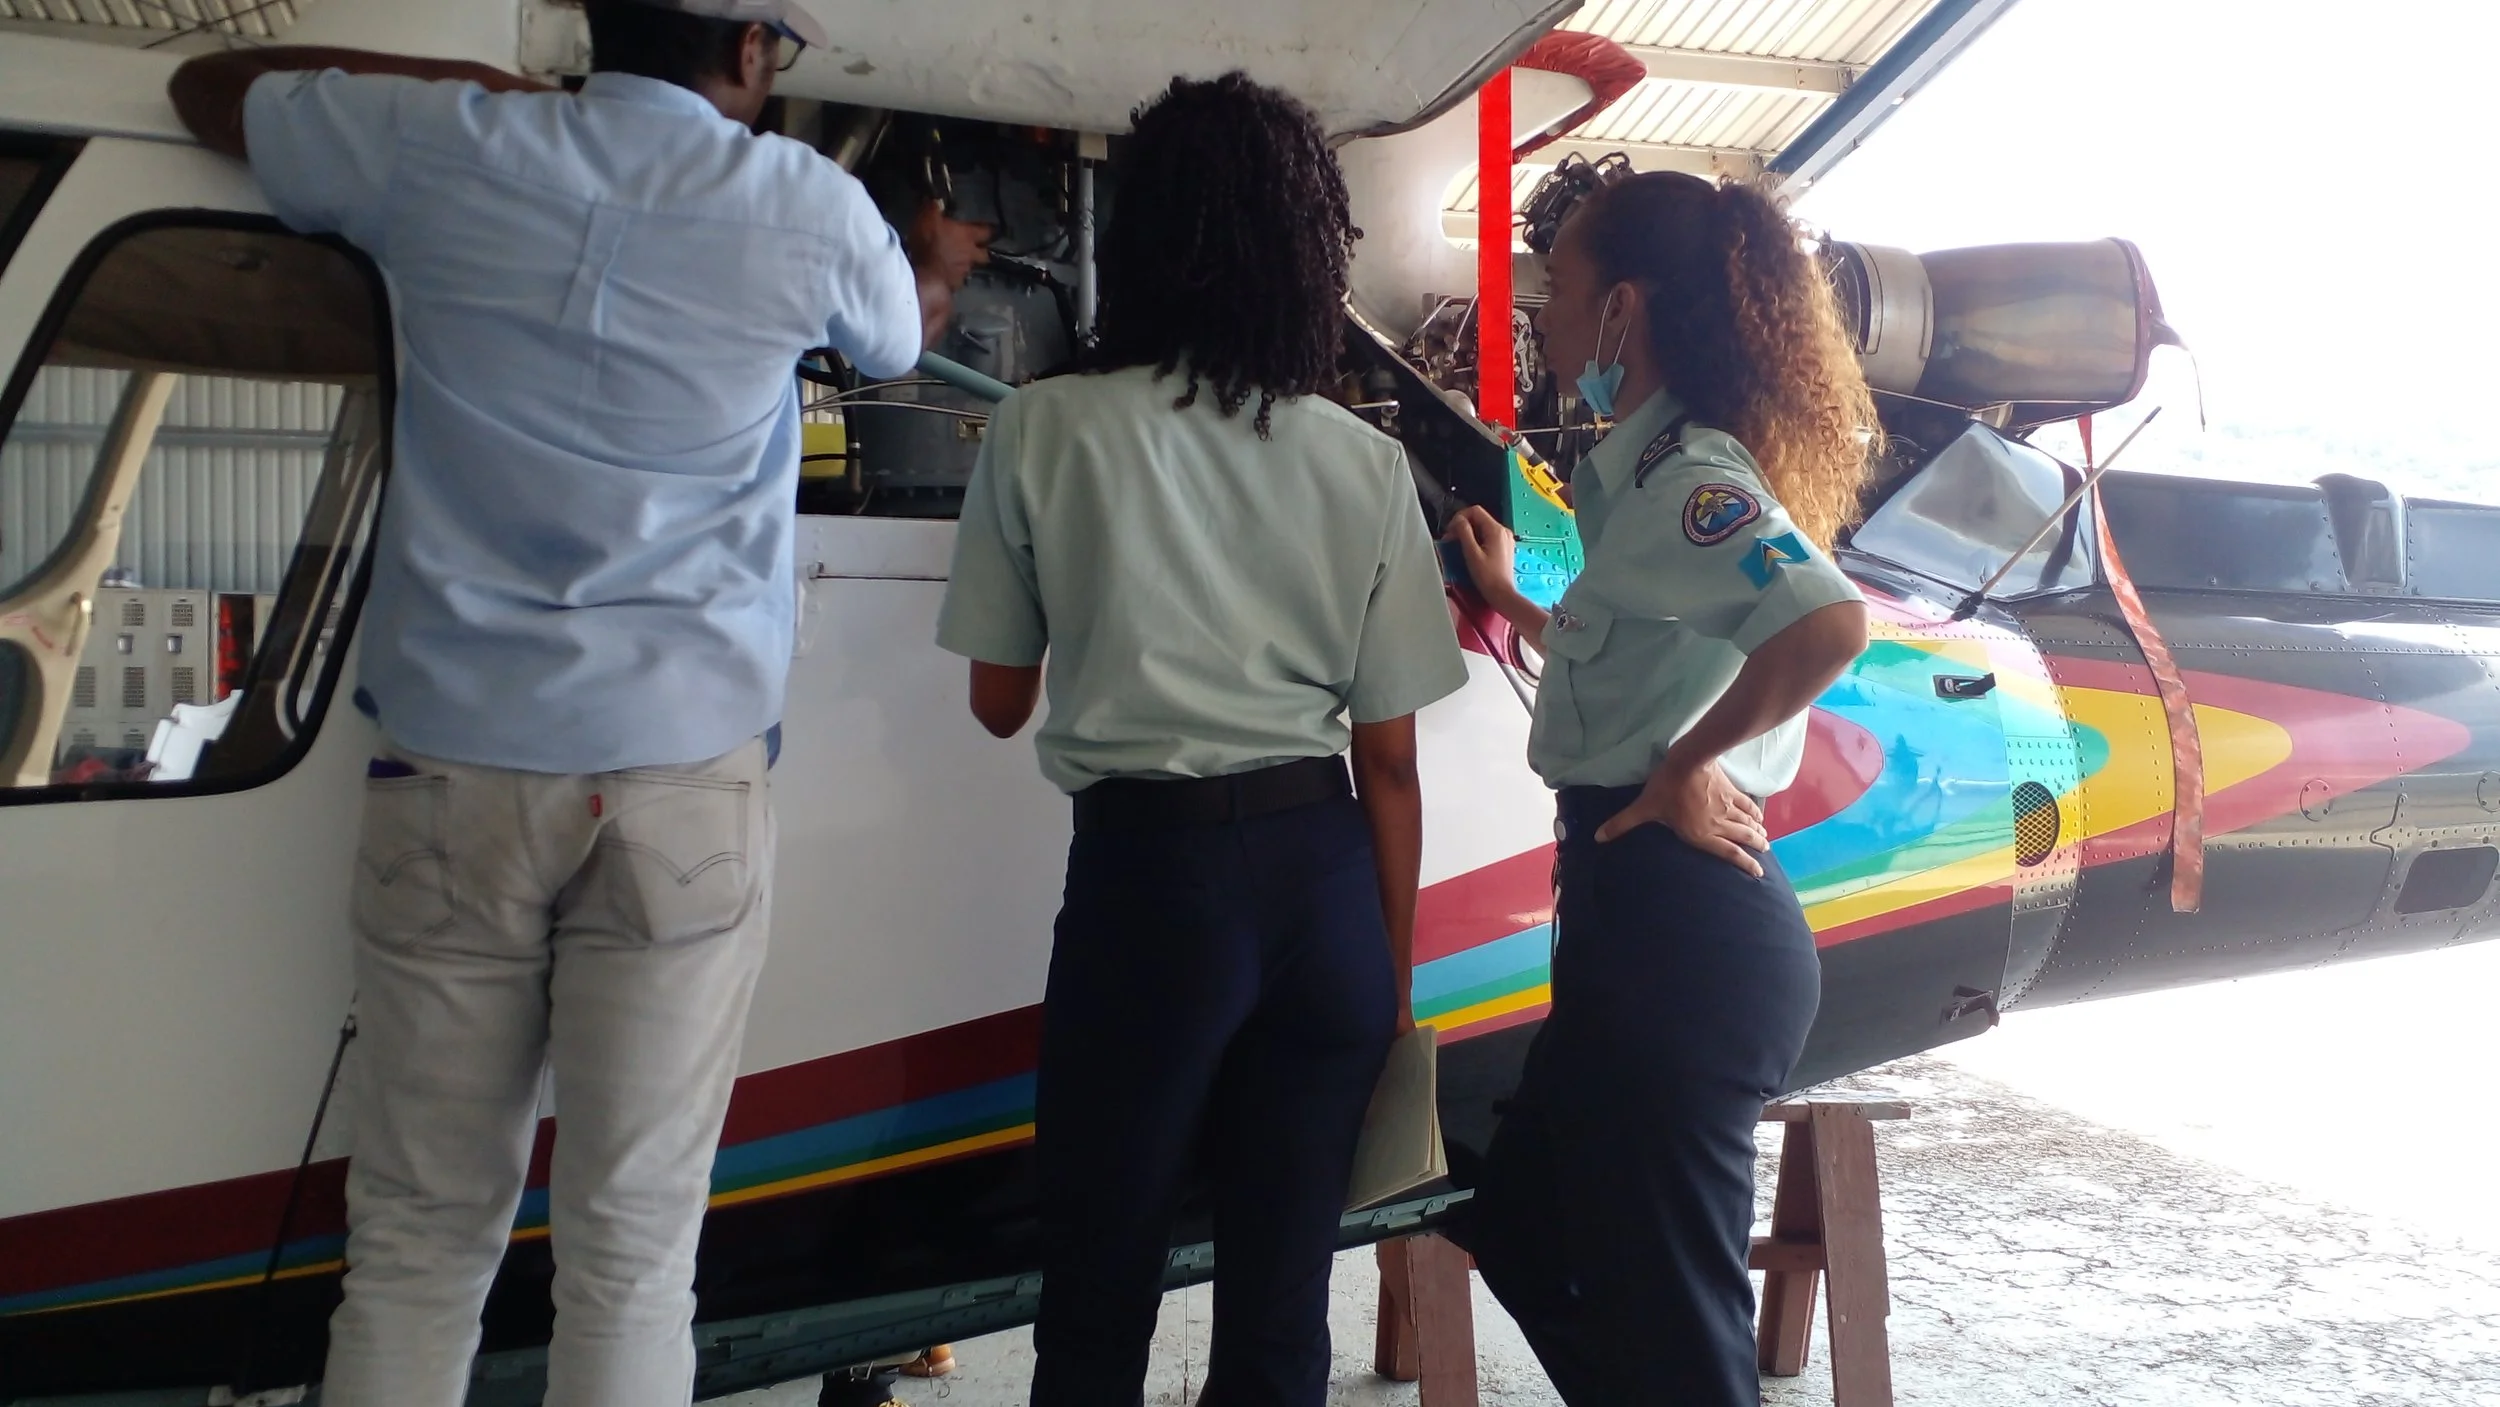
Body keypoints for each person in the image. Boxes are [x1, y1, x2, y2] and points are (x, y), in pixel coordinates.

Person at [164, 4, 988, 1404]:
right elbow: (901, 335)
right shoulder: (803, 203)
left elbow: (207, 86)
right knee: (634, 1254)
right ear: (750, 48)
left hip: (454, 772)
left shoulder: (444, 143)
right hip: (683, 783)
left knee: (416, 1244)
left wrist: (475, 92)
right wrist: (937, 259)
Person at [934, 72, 1469, 1407]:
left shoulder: (1043, 426)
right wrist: (1392, 981)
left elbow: (998, 700)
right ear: (1308, 252)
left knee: (1099, 1289)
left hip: (1151, 885)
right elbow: (1389, 760)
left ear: (1142, 236)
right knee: (1282, 1310)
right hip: (1324, 886)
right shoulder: (1361, 460)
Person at [1444, 170, 1875, 1406]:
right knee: (1524, 1226)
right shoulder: (1635, 483)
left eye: (1559, 287)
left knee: (1678, 1328)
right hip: (1636, 922)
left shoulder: (1692, 477)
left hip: (1682, 936)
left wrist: (1686, 765)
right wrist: (1514, 598)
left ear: (1621, 309)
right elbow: (1631, 664)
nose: (1542, 315)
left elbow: (1826, 625)